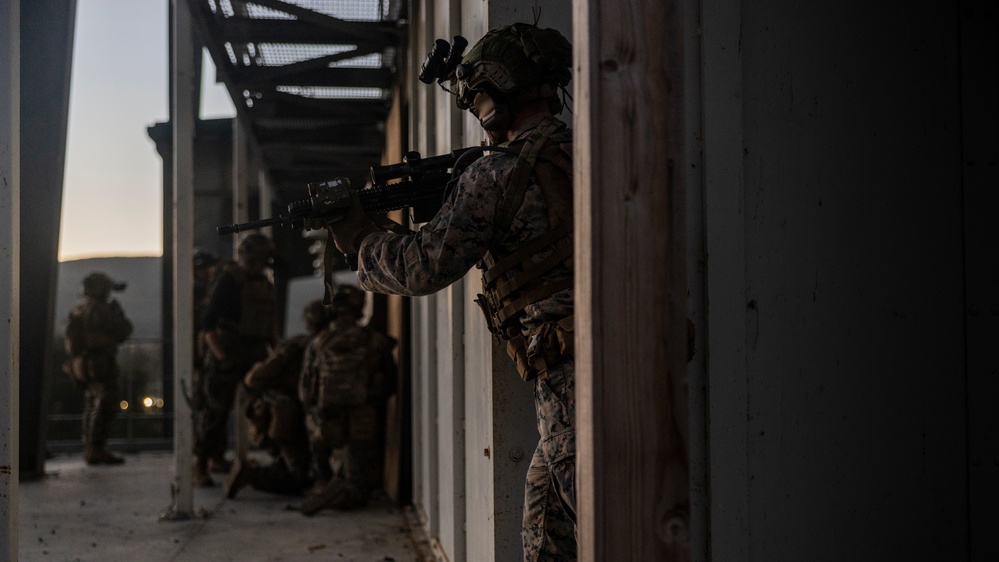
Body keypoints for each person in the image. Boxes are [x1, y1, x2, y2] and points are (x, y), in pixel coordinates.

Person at [323, 23, 577, 559]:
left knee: (613, 526)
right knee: (545, 519)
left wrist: (360, 243)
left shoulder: (496, 175)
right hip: (601, 367)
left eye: (477, 96)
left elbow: (422, 266)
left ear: (500, 93)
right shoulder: (593, 155)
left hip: (576, 382)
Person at [298, 285, 397, 515]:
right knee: (362, 487)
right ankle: (340, 493)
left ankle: (327, 483)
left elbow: (305, 391)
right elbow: (390, 383)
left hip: (326, 420)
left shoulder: (318, 341)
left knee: (336, 458)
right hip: (363, 416)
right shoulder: (373, 340)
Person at [225, 300, 332, 499]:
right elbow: (256, 379)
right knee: (300, 479)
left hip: (300, 423)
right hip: (289, 422)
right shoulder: (308, 347)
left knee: (309, 471)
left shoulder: (300, 345)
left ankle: (275, 466)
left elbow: (255, 379)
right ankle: (251, 475)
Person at [194, 233, 278, 486]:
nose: (263, 263)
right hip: (229, 353)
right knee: (216, 413)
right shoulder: (229, 281)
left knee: (264, 407)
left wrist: (275, 353)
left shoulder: (263, 282)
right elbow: (208, 326)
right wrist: (223, 357)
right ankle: (201, 463)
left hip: (255, 352)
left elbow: (270, 322)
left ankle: (221, 459)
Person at [63, 272, 134, 465]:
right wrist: (118, 314)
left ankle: (91, 447)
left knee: (92, 403)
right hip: (100, 362)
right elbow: (123, 331)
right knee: (106, 403)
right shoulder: (100, 310)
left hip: (82, 364)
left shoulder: (80, 309)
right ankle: (96, 448)